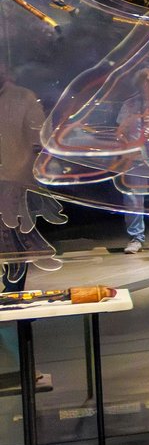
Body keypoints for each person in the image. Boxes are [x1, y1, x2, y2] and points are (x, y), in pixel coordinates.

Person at [115, 65, 149, 253]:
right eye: (147, 80)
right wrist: (126, 147)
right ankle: (136, 237)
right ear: (139, 84)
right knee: (133, 198)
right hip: (136, 157)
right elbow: (120, 131)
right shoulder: (130, 104)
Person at [0, 65, 46, 289]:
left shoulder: (23, 98)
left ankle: (13, 291)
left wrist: (27, 173)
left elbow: (38, 138)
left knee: (13, 235)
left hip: (14, 178)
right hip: (11, 176)